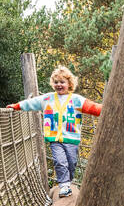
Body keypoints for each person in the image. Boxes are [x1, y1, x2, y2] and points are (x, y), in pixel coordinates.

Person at [6, 66, 102, 197]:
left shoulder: (76, 100)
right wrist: (17, 106)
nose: (59, 85)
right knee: (60, 161)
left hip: (71, 138)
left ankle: (68, 182)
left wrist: (106, 108)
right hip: (54, 139)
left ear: (69, 84)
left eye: (62, 82)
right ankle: (64, 185)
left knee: (72, 162)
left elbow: (92, 107)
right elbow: (32, 102)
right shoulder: (47, 99)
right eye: (56, 82)